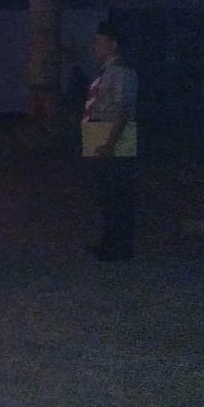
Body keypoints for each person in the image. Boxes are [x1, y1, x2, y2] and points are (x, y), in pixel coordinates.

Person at [82, 20, 139, 261]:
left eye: (99, 41)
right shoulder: (107, 72)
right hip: (102, 136)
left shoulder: (122, 73)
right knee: (106, 196)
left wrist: (110, 142)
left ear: (113, 44)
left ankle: (119, 247)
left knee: (117, 195)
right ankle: (108, 243)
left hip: (114, 140)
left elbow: (123, 110)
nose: (94, 45)